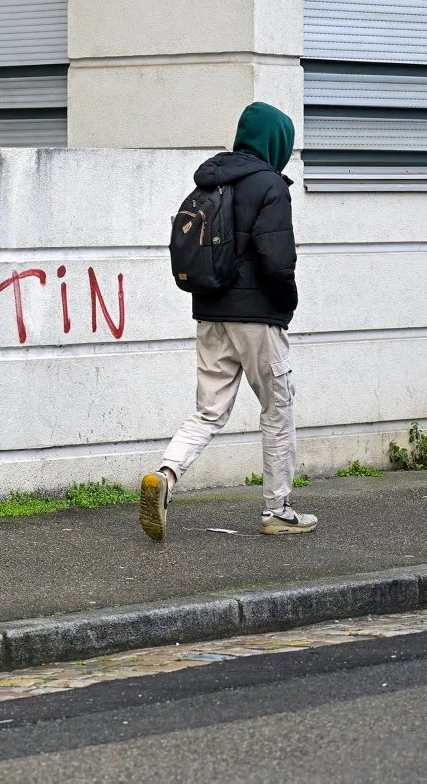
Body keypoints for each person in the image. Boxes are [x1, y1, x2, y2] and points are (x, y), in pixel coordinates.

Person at [139, 101, 317, 540]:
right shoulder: (270, 186)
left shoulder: (208, 184)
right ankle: (278, 511)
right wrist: (286, 305)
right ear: (276, 142)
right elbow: (278, 260)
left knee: (209, 411)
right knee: (278, 410)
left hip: (211, 313)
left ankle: (166, 473)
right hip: (257, 319)